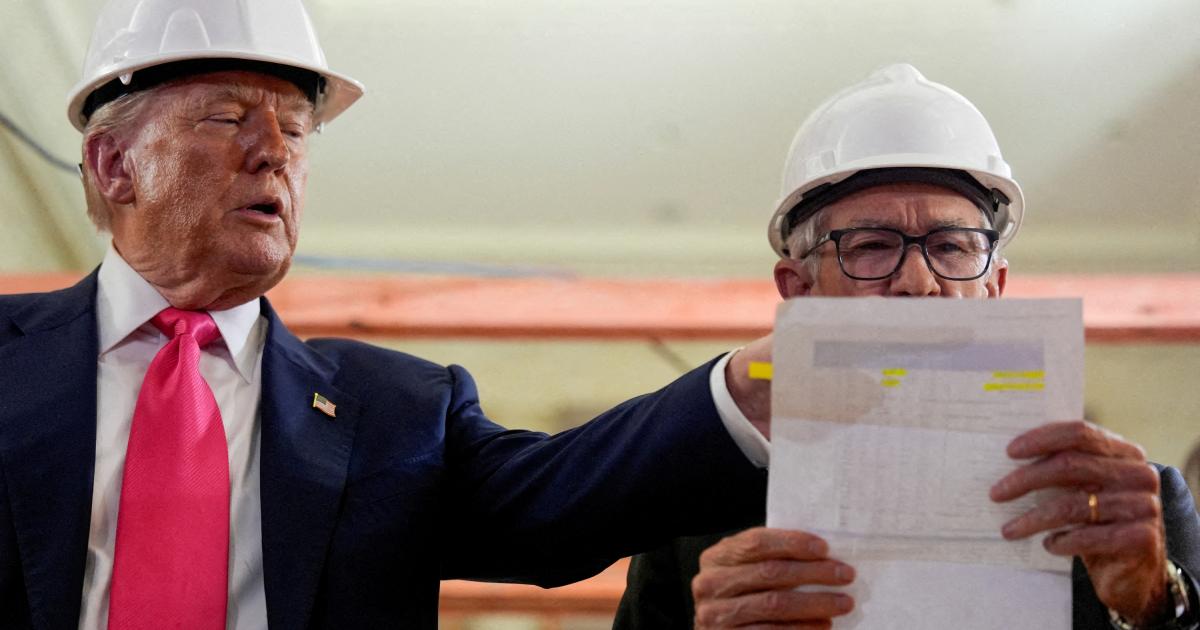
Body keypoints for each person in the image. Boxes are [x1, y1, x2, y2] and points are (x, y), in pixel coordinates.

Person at [0, 1, 771, 628]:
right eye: (228, 118)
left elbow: (562, 500)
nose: (275, 153)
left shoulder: (399, 411)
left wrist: (757, 381)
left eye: (295, 129)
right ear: (115, 164)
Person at [614, 64, 1200, 629]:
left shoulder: (1125, 514)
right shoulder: (690, 524)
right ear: (799, 292)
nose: (918, 282)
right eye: (871, 245)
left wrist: (1154, 606)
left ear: (993, 289)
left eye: (952, 246)